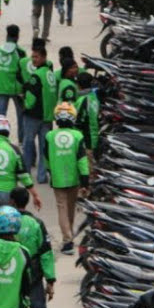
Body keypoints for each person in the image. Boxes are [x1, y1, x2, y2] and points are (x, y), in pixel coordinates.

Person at [10, 187, 55, 308]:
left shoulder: (6, 224)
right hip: (34, 277)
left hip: (14, 279)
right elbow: (46, 252)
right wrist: (50, 280)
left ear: (12, 202)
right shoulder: (37, 223)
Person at [45, 103, 90, 254]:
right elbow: (82, 161)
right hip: (74, 179)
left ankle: (67, 240)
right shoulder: (78, 136)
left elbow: (46, 157)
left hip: (57, 179)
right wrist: (85, 181)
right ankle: (68, 236)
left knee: (62, 209)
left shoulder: (50, 136)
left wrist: (49, 171)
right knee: (70, 208)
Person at [22, 43, 58, 183]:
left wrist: (25, 105)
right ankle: (42, 176)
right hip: (47, 117)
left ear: (44, 57)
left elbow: (30, 98)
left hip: (33, 116)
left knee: (28, 145)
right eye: (32, 57)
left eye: (36, 57)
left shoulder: (36, 76)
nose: (33, 60)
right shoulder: (51, 75)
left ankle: (26, 176)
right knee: (44, 148)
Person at [0, 24, 27, 143]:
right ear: (17, 36)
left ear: (7, 35)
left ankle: (1, 138)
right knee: (21, 115)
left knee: (1, 115)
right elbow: (24, 71)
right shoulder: (20, 52)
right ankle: (21, 139)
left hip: (0, 86)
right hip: (16, 88)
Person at [75, 72, 99, 153]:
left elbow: (78, 121)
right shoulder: (93, 96)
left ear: (79, 85)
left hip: (86, 139)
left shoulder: (83, 100)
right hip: (93, 136)